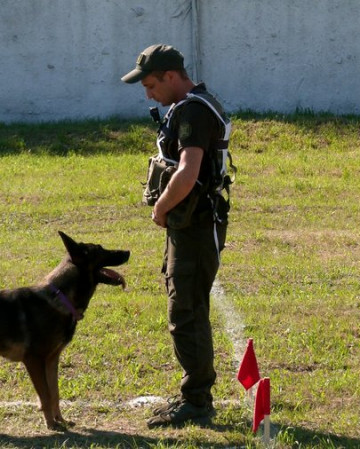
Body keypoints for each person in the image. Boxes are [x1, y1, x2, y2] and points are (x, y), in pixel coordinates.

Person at [121, 44, 233, 428]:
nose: (148, 94)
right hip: (193, 224)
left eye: (151, 85)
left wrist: (160, 208)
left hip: (195, 225)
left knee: (186, 310)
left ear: (171, 76)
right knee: (185, 304)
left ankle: (197, 401)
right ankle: (194, 394)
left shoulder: (193, 111)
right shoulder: (195, 104)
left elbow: (187, 172)